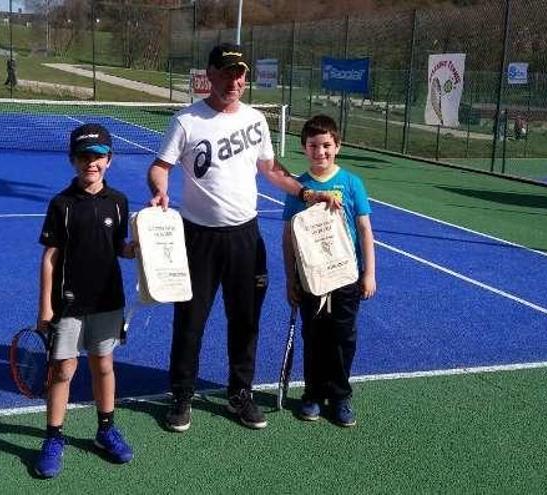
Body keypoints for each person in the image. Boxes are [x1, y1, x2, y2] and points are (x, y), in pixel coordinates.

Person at [147, 43, 334, 432]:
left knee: (245, 321)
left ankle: (240, 393)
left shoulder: (256, 121)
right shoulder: (186, 121)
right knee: (190, 322)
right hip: (197, 239)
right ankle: (181, 395)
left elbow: (270, 168)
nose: (234, 81)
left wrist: (304, 192)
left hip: (245, 239)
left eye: (240, 74)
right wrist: (161, 190)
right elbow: (160, 166)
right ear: (210, 75)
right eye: (227, 72)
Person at [34, 123, 136, 479]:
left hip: (108, 301)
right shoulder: (61, 204)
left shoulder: (120, 202)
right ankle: (53, 437)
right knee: (63, 370)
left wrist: (138, 248)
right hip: (68, 303)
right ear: (73, 160)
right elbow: (50, 258)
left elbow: (120, 248)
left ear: (109, 160)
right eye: (83, 156)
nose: (90, 162)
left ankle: (105, 428)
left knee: (104, 365)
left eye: (97, 156)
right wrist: (45, 307)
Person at [281, 114, 376, 427]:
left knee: (342, 337)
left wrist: (369, 273)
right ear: (304, 148)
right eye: (313, 146)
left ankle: (340, 395)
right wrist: (290, 278)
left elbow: (364, 230)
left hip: (346, 277)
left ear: (338, 146)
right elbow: (288, 237)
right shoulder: (299, 188)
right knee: (314, 336)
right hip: (312, 279)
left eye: (326, 145)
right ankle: (312, 394)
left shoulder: (351, 183)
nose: (320, 151)